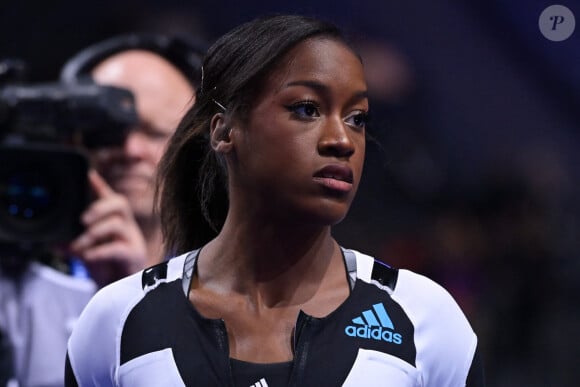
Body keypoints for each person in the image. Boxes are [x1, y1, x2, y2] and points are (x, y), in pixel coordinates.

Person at [66, 14, 485, 386]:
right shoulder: (115, 320)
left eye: (356, 118)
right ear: (224, 131)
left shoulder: (423, 319)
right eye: (306, 109)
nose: (341, 140)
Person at [0, 33, 204, 387]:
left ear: (199, 151)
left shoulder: (234, 294)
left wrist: (136, 301)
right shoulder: (15, 278)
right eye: (106, 131)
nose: (129, 149)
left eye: (154, 132)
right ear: (68, 137)